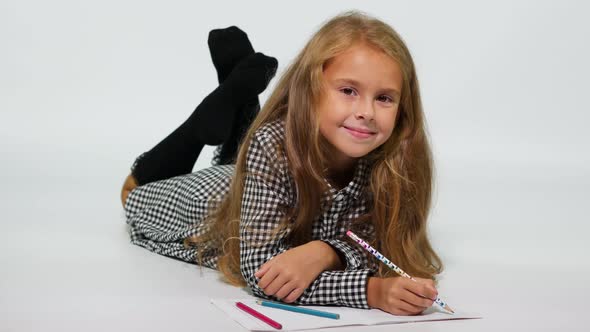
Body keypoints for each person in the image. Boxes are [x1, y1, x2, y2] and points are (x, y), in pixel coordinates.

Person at [121, 10, 443, 316]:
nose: (367, 112)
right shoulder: (271, 145)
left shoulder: (393, 155)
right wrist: (372, 291)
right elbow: (263, 273)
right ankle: (206, 119)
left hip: (262, 184)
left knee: (241, 156)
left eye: (384, 98)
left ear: (403, 107)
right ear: (310, 90)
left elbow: (379, 239)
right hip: (213, 200)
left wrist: (325, 251)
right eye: (348, 90)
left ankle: (240, 100)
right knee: (134, 193)